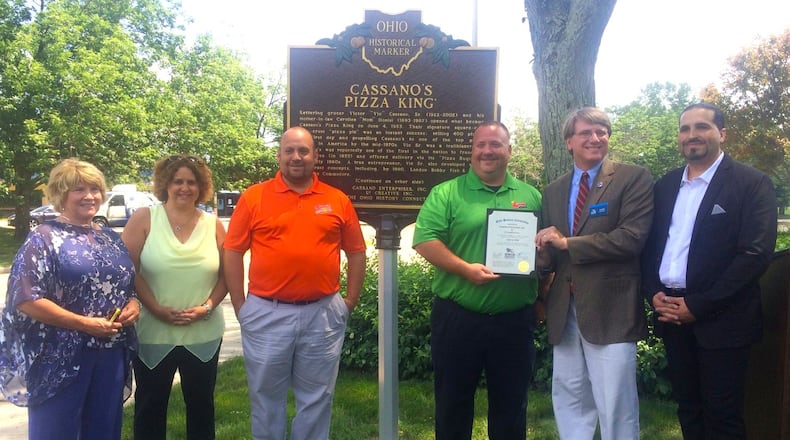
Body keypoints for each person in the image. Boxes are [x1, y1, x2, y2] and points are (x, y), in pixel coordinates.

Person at [641, 102, 777, 439]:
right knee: (689, 409)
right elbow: (651, 247)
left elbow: (755, 255)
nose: (692, 135)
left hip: (724, 321)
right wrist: (652, 292)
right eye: (685, 129)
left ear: (722, 133)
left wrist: (697, 306)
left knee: (723, 417)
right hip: (671, 314)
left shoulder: (752, 184)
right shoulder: (667, 185)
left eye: (702, 127)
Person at [223, 126, 367, 440]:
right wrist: (240, 306)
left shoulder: (336, 200)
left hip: (323, 313)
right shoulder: (254, 197)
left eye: (303, 151)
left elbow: (356, 252)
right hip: (266, 312)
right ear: (279, 155)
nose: (296, 157)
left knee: (317, 398)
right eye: (289, 150)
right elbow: (232, 251)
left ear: (315, 156)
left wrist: (349, 302)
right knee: (265, 398)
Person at [412, 121, 542, 440]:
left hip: (513, 321)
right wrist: (464, 269)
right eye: (480, 145)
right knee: (453, 405)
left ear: (509, 151)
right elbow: (425, 240)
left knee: (512, 407)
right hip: (458, 318)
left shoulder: (532, 196)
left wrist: (543, 298)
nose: (487, 151)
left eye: (495, 144)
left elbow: (545, 253)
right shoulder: (446, 193)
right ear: (472, 151)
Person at [534, 107, 653, 440]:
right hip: (565, 310)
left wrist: (566, 242)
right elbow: (553, 258)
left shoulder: (633, 178)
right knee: (570, 396)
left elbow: (631, 239)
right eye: (586, 132)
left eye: (602, 131)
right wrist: (544, 256)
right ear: (569, 141)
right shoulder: (553, 191)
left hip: (610, 308)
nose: (596, 138)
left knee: (616, 402)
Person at [0, 158, 140, 440]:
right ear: (61, 195)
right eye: (79, 189)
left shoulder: (110, 237)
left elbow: (127, 285)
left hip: (110, 352)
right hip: (58, 356)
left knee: (103, 430)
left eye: (95, 189)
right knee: (56, 431)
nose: (89, 196)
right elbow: (26, 298)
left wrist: (133, 304)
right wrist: (84, 324)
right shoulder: (44, 238)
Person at [121, 154, 227, 440]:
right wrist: (154, 308)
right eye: (177, 181)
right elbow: (127, 271)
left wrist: (206, 308)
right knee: (149, 406)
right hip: (153, 331)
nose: (184, 187)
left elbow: (227, 276)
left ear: (201, 186)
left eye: (191, 182)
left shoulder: (214, 224)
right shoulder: (145, 218)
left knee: (201, 406)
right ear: (165, 184)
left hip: (203, 332)